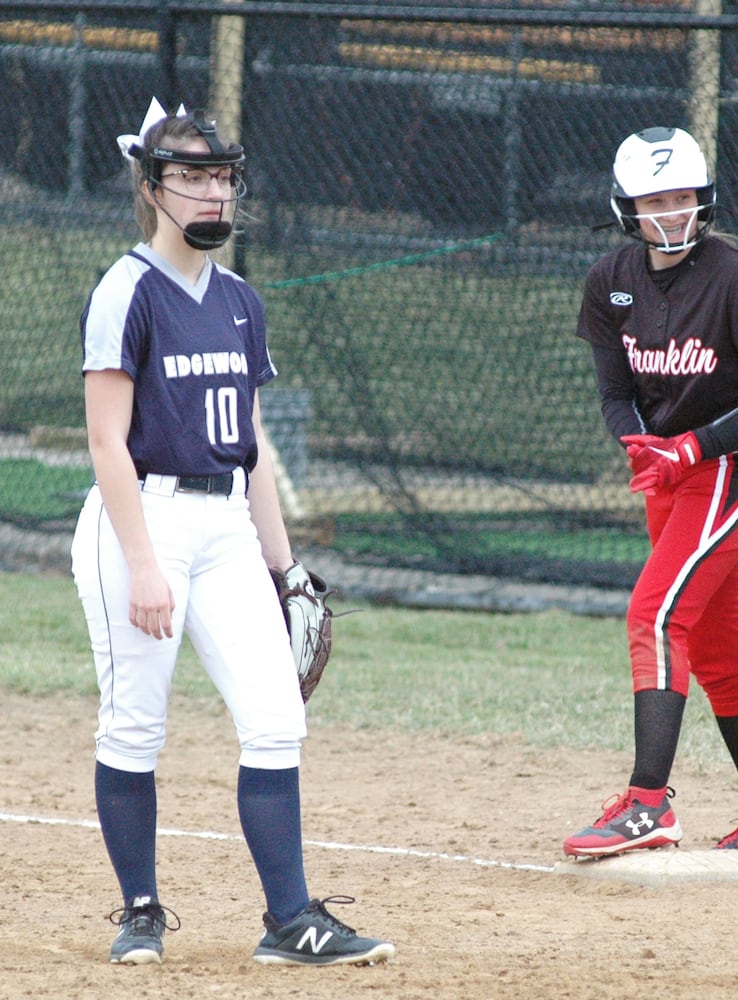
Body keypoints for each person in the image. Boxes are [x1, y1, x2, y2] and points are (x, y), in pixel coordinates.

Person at [71, 97, 396, 965]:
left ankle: (289, 922)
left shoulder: (242, 301)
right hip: (140, 518)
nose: (214, 194)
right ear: (152, 187)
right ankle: (140, 909)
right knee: (134, 724)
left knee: (276, 720)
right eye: (192, 177)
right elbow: (106, 439)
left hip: (225, 528)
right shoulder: (125, 291)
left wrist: (283, 569)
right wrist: (143, 565)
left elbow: (250, 448)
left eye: (222, 177)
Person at [563, 126, 738, 857]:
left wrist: (692, 446)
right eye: (652, 201)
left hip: (737, 467)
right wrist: (638, 442)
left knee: (653, 612)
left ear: (702, 201)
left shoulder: (736, 277)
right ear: (626, 207)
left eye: (680, 198)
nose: (669, 213)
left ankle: (647, 804)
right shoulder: (610, 278)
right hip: (670, 474)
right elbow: (614, 393)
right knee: (715, 648)